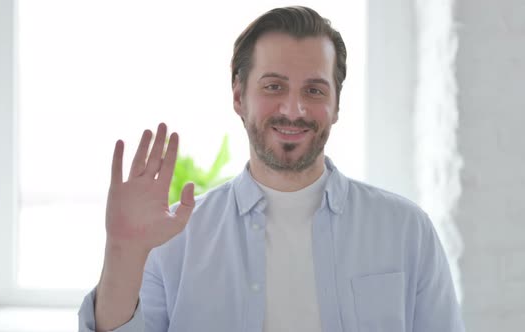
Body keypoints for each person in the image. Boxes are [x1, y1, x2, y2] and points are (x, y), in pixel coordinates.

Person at [79, 6, 465, 332]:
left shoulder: (405, 230)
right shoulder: (176, 237)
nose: (293, 110)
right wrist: (122, 251)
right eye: (273, 87)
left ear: (336, 104)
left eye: (314, 90)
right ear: (238, 96)